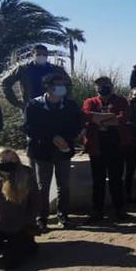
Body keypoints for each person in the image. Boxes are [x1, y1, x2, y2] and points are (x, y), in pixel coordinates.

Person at [24, 73, 82, 231]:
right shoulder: (34, 105)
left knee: (64, 186)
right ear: (48, 87)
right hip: (41, 152)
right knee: (42, 186)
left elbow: (77, 124)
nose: (61, 87)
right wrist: (52, 137)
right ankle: (41, 218)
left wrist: (67, 138)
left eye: (63, 84)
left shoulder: (70, 105)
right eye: (57, 84)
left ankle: (63, 217)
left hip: (63, 150)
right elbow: (29, 128)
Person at [82, 77, 132, 223]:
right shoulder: (90, 101)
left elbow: (122, 118)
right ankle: (97, 211)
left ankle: (120, 210)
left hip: (117, 144)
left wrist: (99, 119)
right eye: (100, 86)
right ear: (95, 88)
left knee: (116, 179)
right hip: (97, 146)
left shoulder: (121, 100)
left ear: (112, 86)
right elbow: (86, 116)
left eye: (106, 85)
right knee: (98, 180)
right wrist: (110, 117)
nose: (103, 87)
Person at [1, 44, 69, 112]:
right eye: (39, 54)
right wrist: (17, 103)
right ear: (32, 54)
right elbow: (5, 83)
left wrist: (64, 100)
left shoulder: (56, 69)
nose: (42, 56)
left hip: (53, 107)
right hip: (31, 107)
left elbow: (68, 84)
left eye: (44, 55)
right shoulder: (23, 69)